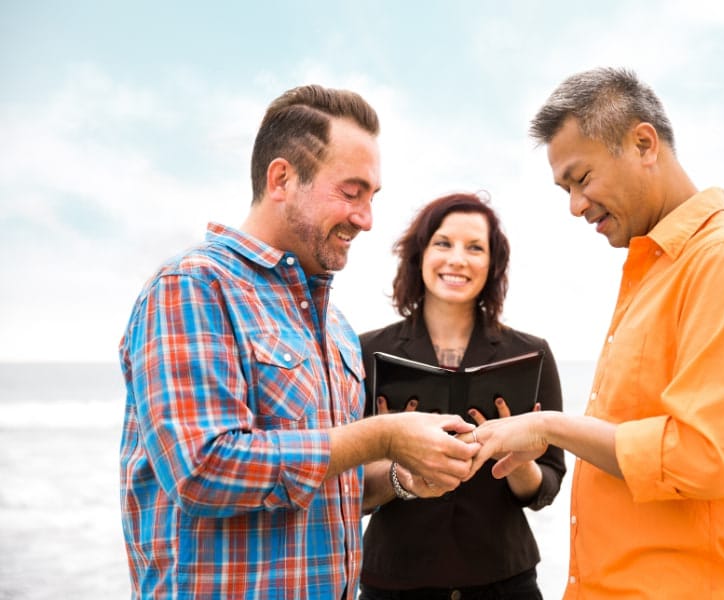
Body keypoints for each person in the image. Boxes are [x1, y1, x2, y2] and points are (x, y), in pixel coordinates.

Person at [118, 85, 480, 599]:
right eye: (351, 192)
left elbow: (329, 489)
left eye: (372, 198)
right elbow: (203, 469)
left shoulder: (336, 328)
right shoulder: (193, 287)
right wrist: (383, 436)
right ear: (282, 179)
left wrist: (403, 476)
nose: (366, 219)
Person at [467, 68, 724, 598]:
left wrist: (550, 427)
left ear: (643, 143)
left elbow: (700, 458)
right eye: (565, 189)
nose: (575, 205)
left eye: (582, 179)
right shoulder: (655, 269)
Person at [357, 192, 567, 599]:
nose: (457, 259)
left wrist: (516, 462)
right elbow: (348, 489)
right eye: (443, 243)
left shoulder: (531, 354)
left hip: (504, 582)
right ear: (420, 254)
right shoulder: (365, 352)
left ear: (492, 265)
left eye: (475, 248)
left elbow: (547, 486)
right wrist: (396, 456)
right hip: (395, 584)